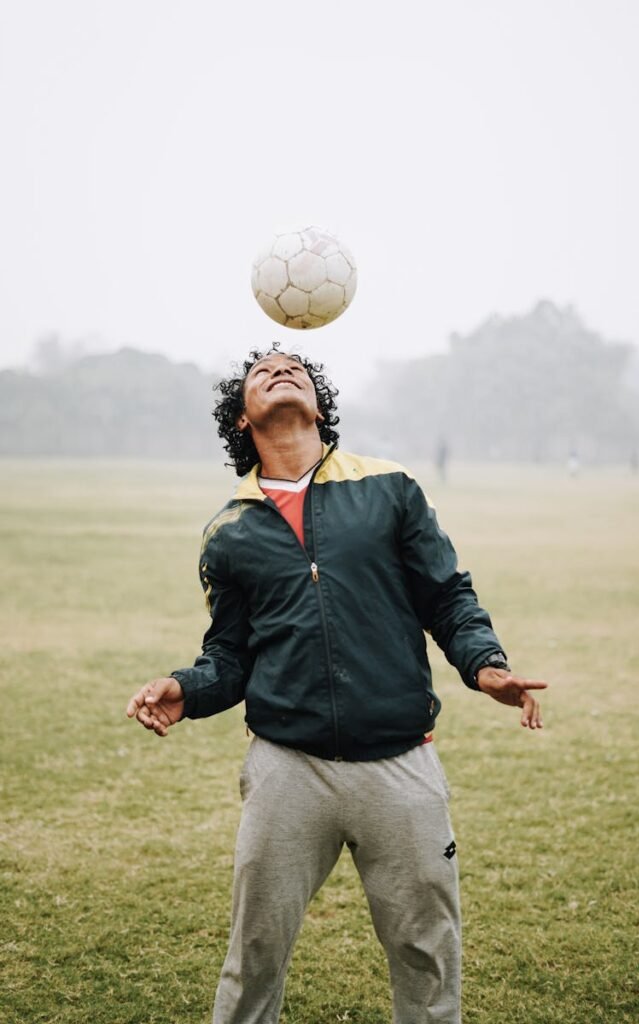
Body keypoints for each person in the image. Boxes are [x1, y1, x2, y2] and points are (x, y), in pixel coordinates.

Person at [126, 346, 547, 1024]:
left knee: (425, 951)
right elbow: (228, 656)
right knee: (254, 952)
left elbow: (447, 597)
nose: (279, 369)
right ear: (240, 419)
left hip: (401, 764)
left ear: (320, 406)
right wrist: (186, 689)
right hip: (286, 769)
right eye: (261, 371)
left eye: (294, 367)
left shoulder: (390, 487)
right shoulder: (228, 532)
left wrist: (483, 664)